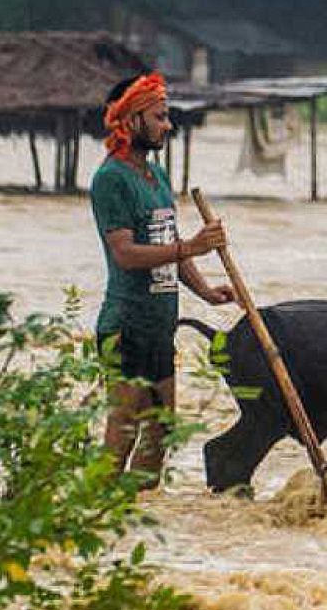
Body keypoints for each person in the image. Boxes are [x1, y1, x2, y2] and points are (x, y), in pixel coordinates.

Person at [91, 72, 234, 489]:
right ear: (131, 121)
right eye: (160, 117)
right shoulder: (111, 179)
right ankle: (93, 516)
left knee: (160, 432)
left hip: (159, 327)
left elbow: (168, 244)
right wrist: (191, 247)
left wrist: (205, 291)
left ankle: (132, 519)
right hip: (126, 326)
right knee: (122, 433)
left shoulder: (156, 176)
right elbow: (126, 253)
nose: (167, 126)